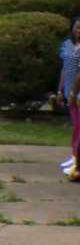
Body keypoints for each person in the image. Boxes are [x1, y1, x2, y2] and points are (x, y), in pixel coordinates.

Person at [59, 17, 80, 176]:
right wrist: (60, 91)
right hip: (69, 91)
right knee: (75, 126)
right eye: (77, 27)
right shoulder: (66, 45)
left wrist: (73, 93)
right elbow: (64, 69)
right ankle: (74, 155)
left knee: (79, 127)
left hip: (77, 93)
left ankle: (77, 159)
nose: (79, 31)